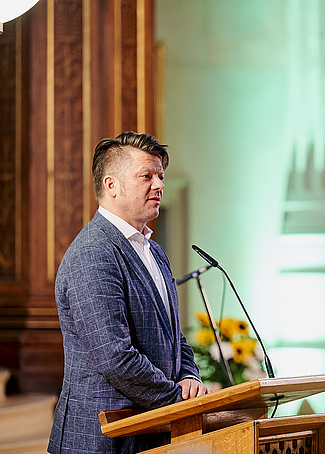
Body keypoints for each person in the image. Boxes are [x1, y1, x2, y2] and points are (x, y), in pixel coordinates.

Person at [48, 132, 212, 454]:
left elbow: (172, 334)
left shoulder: (153, 250)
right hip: (103, 440)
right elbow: (115, 357)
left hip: (151, 431)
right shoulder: (94, 252)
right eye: (146, 176)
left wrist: (190, 376)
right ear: (112, 185)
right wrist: (178, 399)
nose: (160, 185)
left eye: (161, 176)